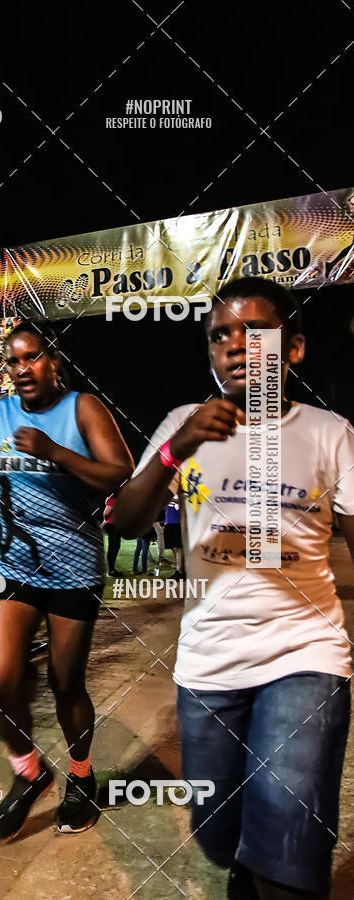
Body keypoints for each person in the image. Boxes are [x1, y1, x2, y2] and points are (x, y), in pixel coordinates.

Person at [115, 277, 354, 900]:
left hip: (307, 653)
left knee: (287, 840)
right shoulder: (180, 425)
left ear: (293, 349)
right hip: (209, 661)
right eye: (220, 334)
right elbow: (126, 521)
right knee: (220, 837)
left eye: (255, 331)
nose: (235, 344)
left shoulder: (331, 434)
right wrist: (179, 448)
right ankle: (245, 870)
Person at [0, 321, 133, 841]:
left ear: (53, 359)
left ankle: (81, 776)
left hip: (72, 562)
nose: (21, 369)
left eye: (31, 358)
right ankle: (29, 771)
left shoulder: (82, 408)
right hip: (13, 561)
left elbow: (119, 472)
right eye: (12, 361)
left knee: (66, 683)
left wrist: (56, 453)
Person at [164, 496, 184, 578]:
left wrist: (171, 499)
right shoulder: (168, 491)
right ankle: (179, 568)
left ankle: (179, 571)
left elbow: (184, 501)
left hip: (177, 521)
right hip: (168, 521)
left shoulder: (181, 490)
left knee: (178, 547)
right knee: (173, 547)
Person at [103, 495, 123, 575]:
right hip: (112, 525)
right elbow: (106, 512)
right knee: (113, 547)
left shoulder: (112, 498)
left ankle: (112, 569)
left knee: (115, 547)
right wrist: (106, 520)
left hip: (114, 525)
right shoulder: (112, 499)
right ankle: (111, 570)